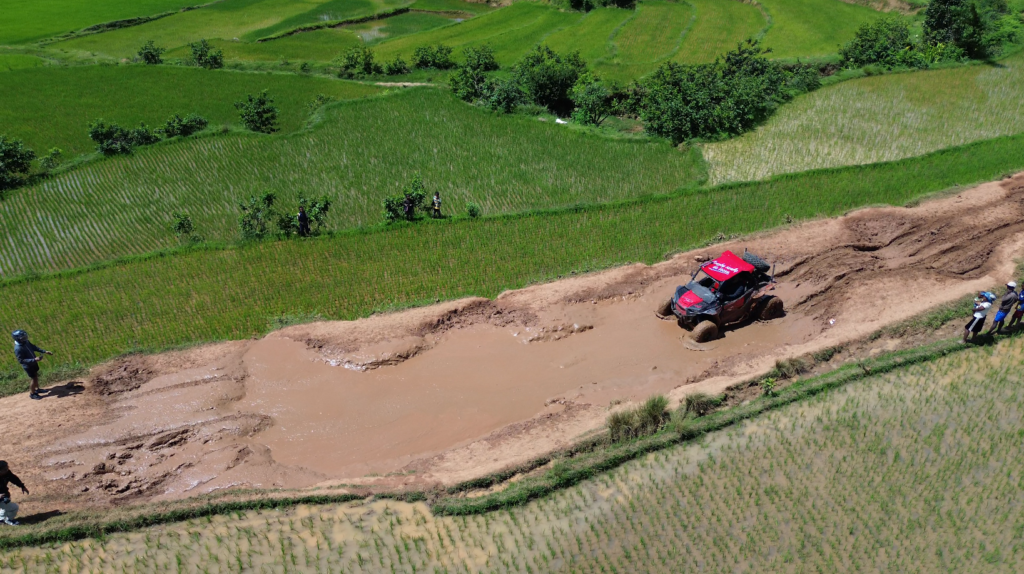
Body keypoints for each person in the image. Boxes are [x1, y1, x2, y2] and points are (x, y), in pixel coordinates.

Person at [12, 330, 52, 400]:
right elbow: (21, 360)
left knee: (36, 376)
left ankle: (37, 389)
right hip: (28, 366)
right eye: (23, 337)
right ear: (18, 339)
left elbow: (33, 347)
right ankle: (32, 393)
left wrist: (44, 351)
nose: (25, 338)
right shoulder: (18, 348)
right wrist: (34, 360)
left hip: (34, 363)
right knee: (33, 378)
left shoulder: (26, 342)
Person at [0, 461, 28, 526]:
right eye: (5, 469)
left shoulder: (6, 473)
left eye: (7, 468)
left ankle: (1, 520)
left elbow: (14, 478)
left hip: (3, 495)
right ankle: (9, 520)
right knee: (14, 508)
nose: (7, 470)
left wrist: (22, 486)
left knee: (5, 505)